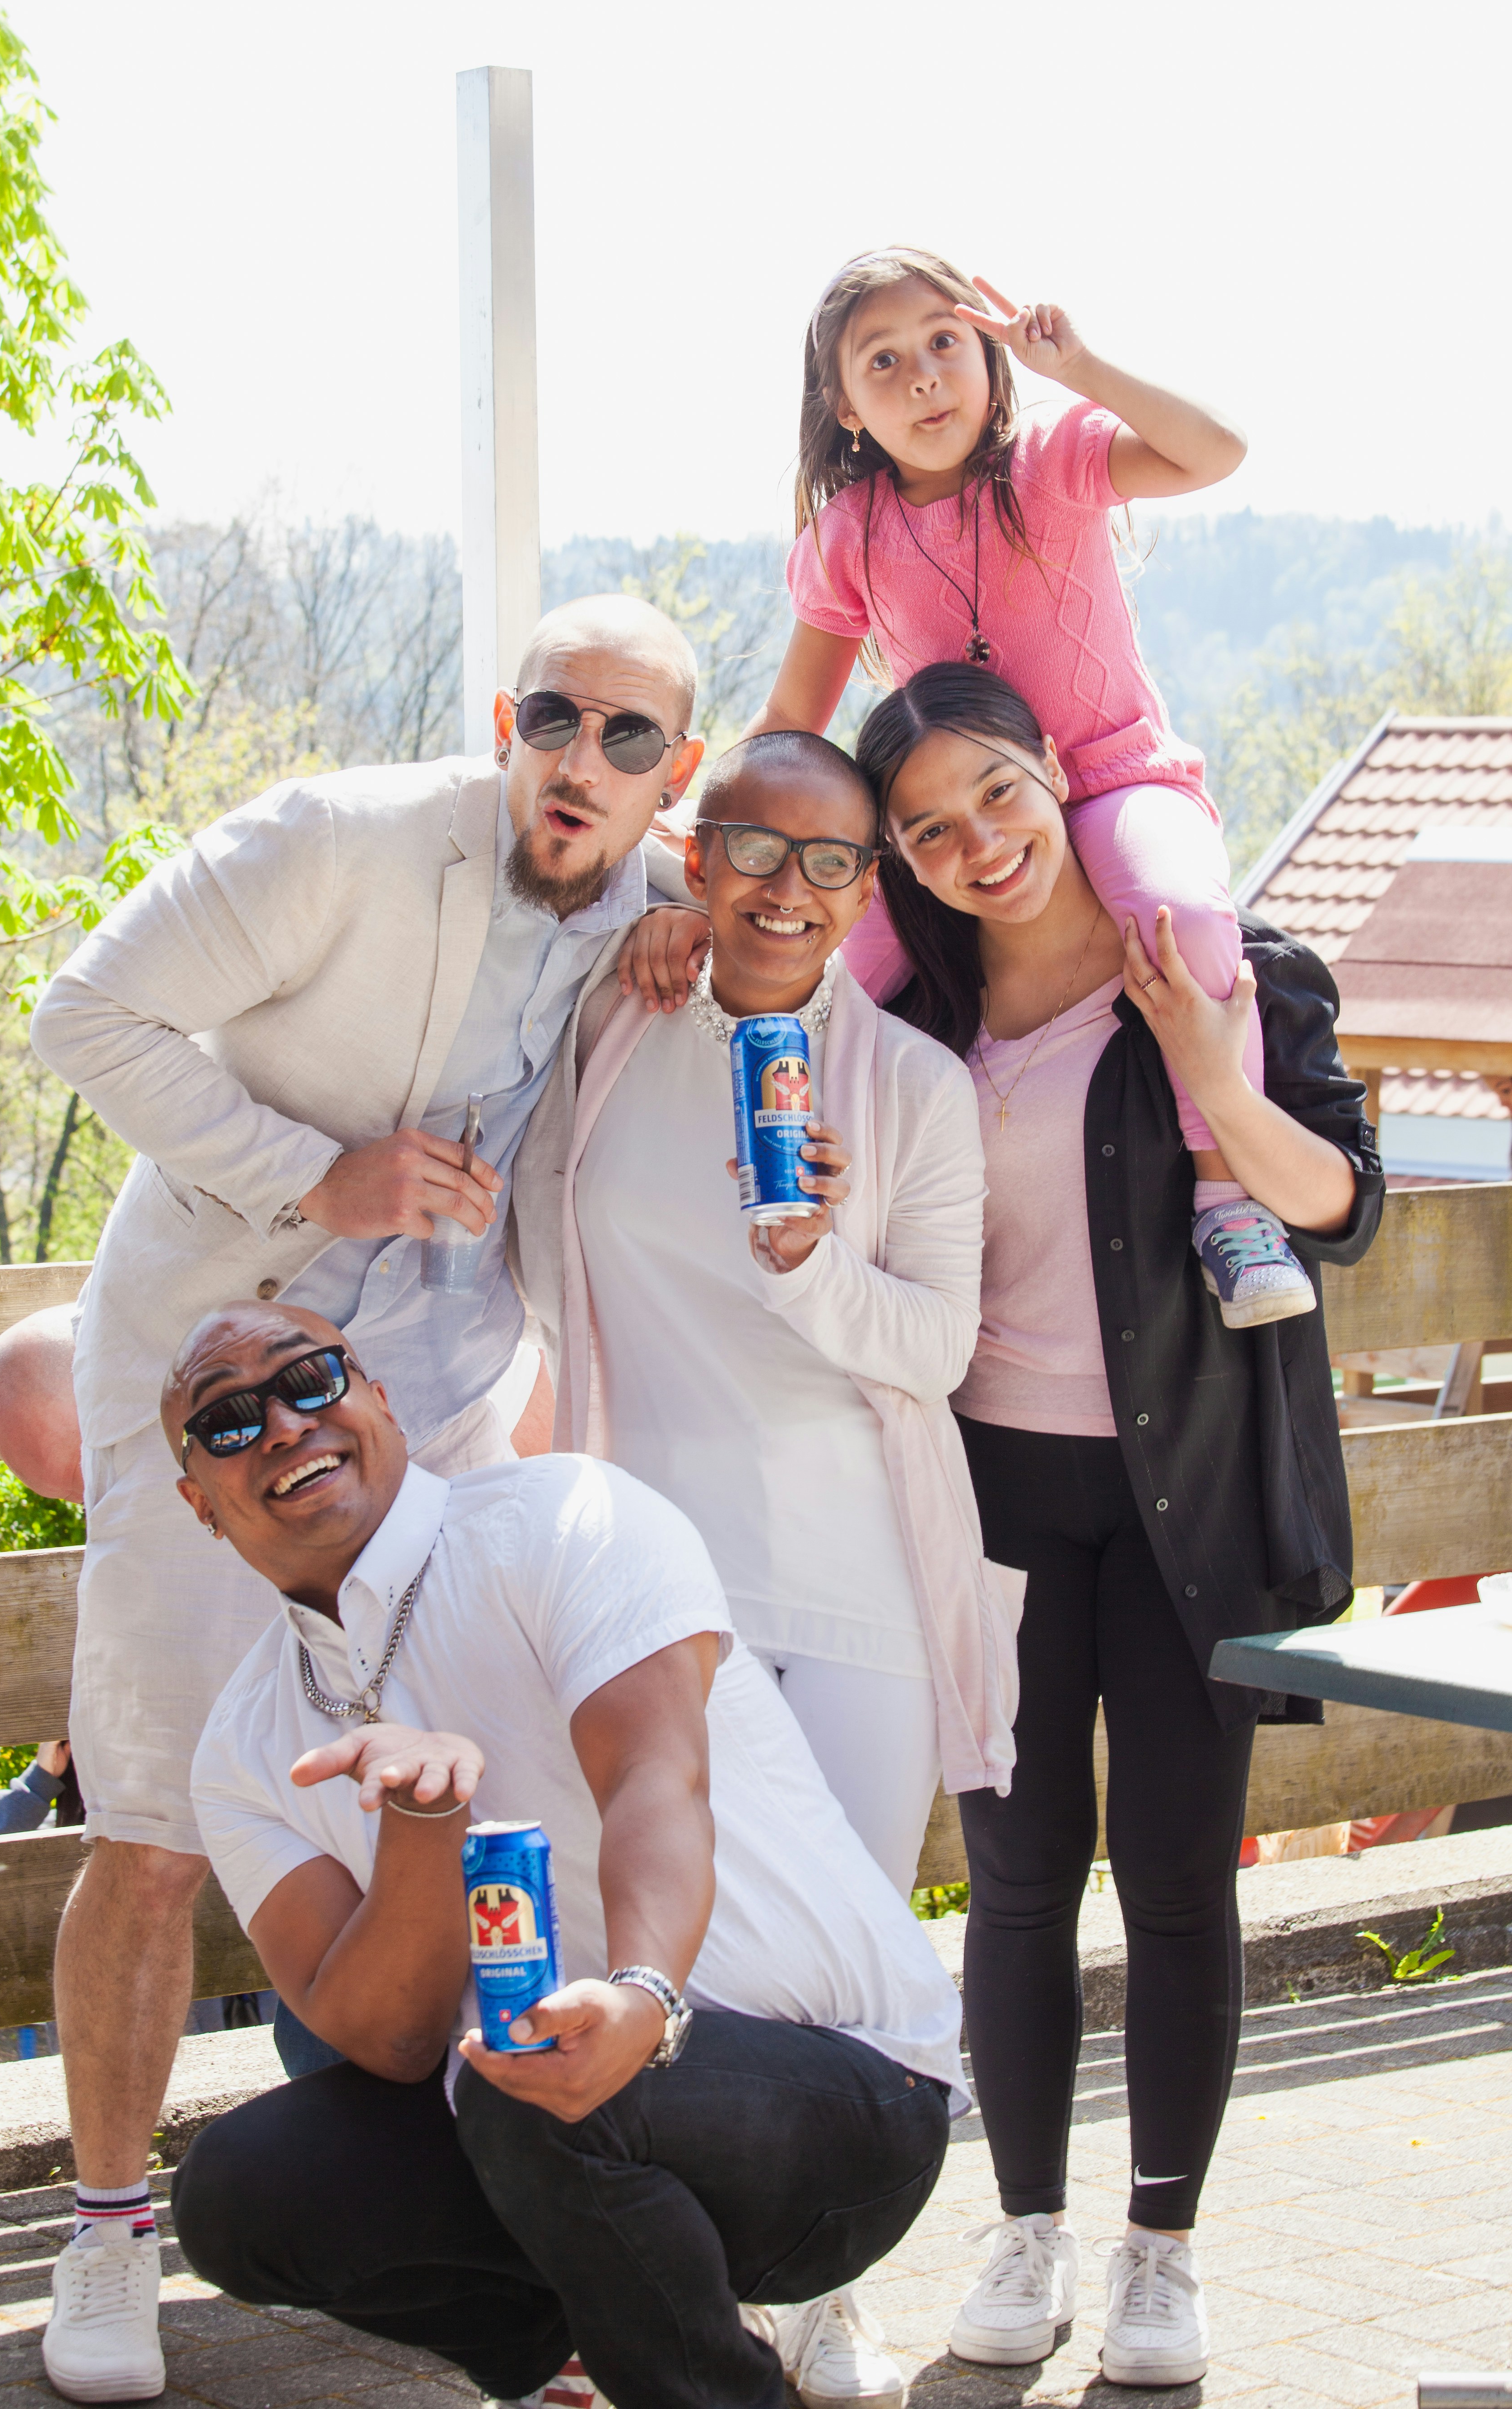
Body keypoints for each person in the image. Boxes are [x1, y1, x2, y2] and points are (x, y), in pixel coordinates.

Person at [14, 596, 706, 2404]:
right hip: (220, 1377)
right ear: (507, 717)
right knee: (160, 1818)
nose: (585, 761)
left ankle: (516, 2257)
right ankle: (103, 2236)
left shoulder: (660, 905)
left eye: (632, 740)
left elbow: (775, 910)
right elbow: (81, 1009)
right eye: (558, 719)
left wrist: (691, 937)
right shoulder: (339, 841)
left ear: (671, 776)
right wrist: (316, 1173)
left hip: (442, 1416)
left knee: (472, 1815)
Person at [851, 663, 1383, 2387]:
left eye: (996, 793)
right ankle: (1024, 2229)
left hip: (1189, 1501)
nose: (976, 844)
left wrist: (1207, 1071)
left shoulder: (1232, 960)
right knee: (1012, 1879)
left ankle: (1162, 2248)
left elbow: (1335, 1211)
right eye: (927, 828)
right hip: (993, 1494)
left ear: (1055, 772)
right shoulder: (914, 1017)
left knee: (1171, 1873)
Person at [160, 1299, 965, 2409]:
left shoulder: (564, 1515)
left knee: (532, 2086)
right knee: (241, 2194)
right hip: (545, 2122)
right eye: (230, 1421)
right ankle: (583, 2341)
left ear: (378, 1398)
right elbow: (386, 2041)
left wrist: (641, 1997)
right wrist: (423, 1828)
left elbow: (655, 1778)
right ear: (200, 1502)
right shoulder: (245, 1746)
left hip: (843, 2092)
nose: (286, 1426)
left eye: (309, 1380)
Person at [748, 244, 1314, 1331]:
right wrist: (723, 832)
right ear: (845, 407)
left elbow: (1217, 453)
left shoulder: (1051, 462)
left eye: (945, 344)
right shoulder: (851, 537)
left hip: (1106, 776)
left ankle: (1228, 1204)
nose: (924, 377)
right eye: (885, 362)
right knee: (846, 987)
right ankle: (828, 1210)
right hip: (959, 819)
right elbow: (792, 726)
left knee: (1185, 917)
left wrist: (1083, 363)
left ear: (990, 355)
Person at [535, 728, 1018, 1893]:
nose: (788, 888)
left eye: (830, 862)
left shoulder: (915, 1084)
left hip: (861, 1595)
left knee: (856, 1962)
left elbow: (940, 1351)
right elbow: (549, 868)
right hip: (658, 1589)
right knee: (676, 1959)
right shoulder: (603, 1025)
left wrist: (811, 1263)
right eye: (753, 848)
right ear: (695, 862)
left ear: (867, 888)